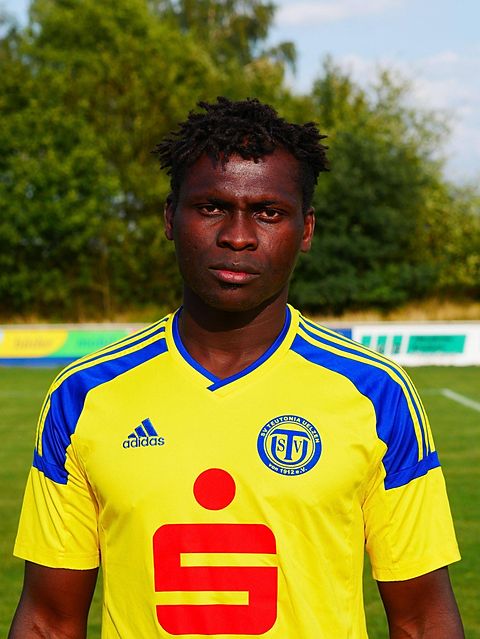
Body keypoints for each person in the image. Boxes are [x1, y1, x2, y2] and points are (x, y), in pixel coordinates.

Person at [9, 97, 464, 639]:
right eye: (211, 208)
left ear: (306, 230)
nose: (238, 236)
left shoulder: (376, 393)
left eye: (268, 212)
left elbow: (422, 619)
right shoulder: (84, 394)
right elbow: (48, 622)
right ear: (170, 218)